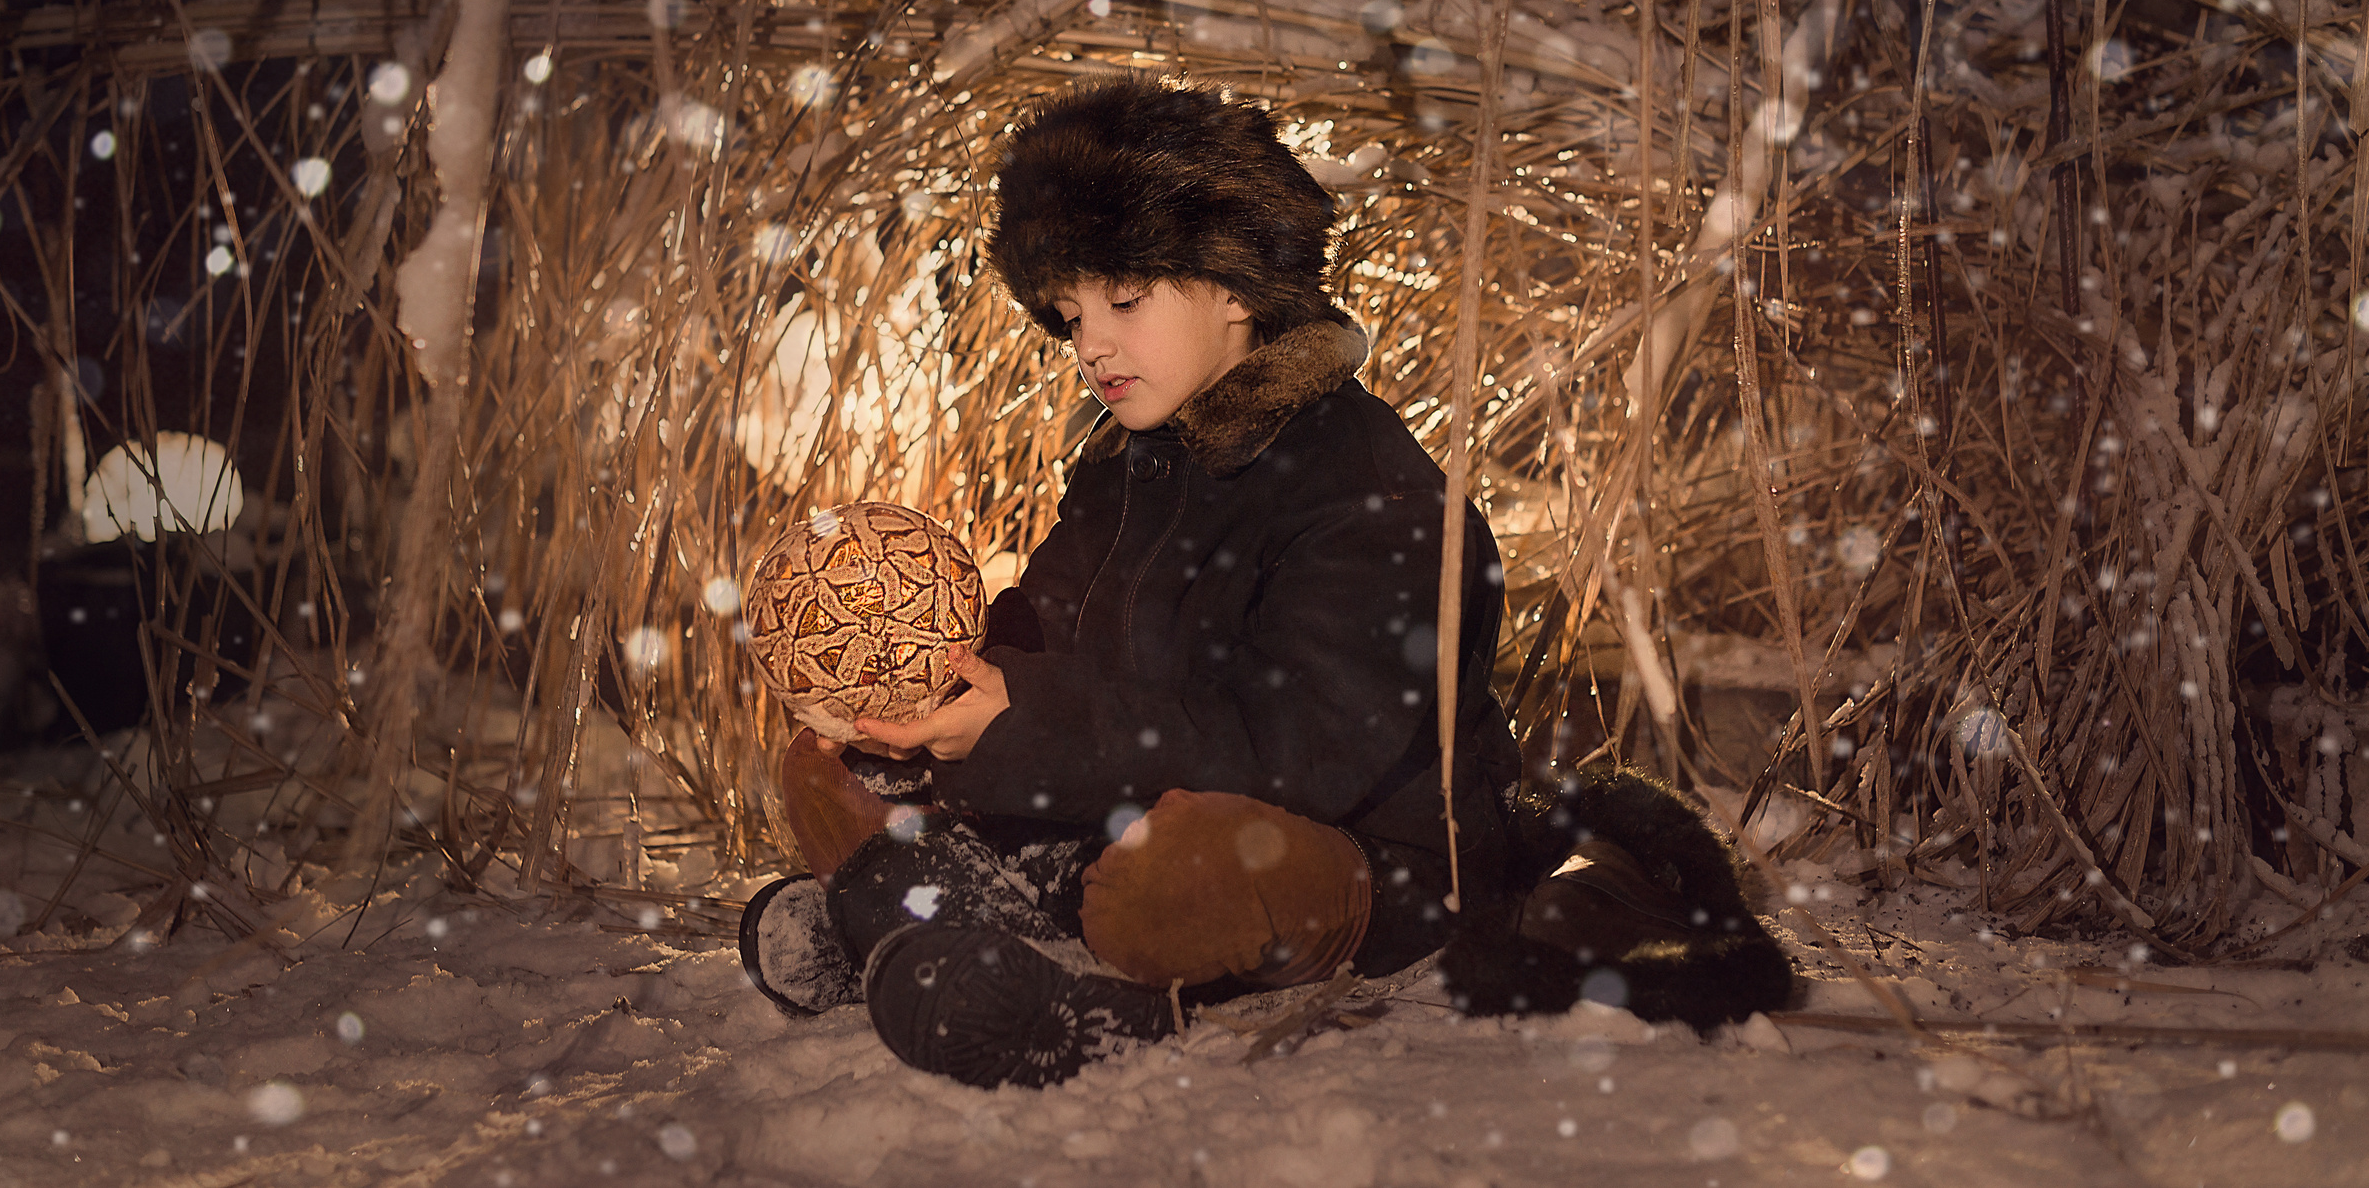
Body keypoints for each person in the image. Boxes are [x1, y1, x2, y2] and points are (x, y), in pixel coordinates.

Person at [737, 79, 1790, 1087]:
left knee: (1179, 872)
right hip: (1117, 807)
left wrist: (1018, 725)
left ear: (1237, 287)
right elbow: (1041, 634)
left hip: (1354, 855)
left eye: (1124, 296)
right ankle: (982, 915)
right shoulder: (1126, 460)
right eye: (1067, 312)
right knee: (821, 763)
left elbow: (1299, 754)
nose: (1089, 341)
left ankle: (1055, 981)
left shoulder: (1370, 492)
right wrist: (917, 705)